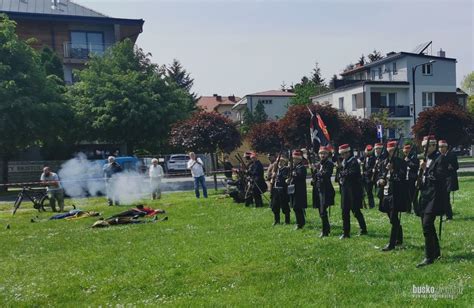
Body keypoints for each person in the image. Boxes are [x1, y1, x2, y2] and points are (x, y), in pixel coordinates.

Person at [416, 135, 449, 268]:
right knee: (428, 226)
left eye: (427, 146)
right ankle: (436, 252)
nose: (424, 148)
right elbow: (424, 178)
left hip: (435, 196)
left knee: (427, 225)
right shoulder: (425, 159)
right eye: (423, 146)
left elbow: (441, 177)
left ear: (433, 146)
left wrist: (425, 170)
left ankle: (429, 256)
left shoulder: (440, 158)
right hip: (425, 195)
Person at [376, 141, 409, 251]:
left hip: (396, 193)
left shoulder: (401, 163)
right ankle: (399, 238)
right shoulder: (383, 162)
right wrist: (380, 180)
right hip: (385, 193)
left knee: (393, 219)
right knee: (391, 217)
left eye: (393, 151)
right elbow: (380, 175)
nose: (392, 153)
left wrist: (393, 170)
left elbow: (402, 177)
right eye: (390, 151)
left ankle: (392, 244)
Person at [338, 144, 367, 239]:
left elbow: (352, 174)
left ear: (348, 152)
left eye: (344, 154)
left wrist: (343, 173)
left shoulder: (354, 161)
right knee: (344, 212)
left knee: (356, 211)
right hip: (345, 190)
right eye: (341, 154)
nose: (343, 156)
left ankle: (363, 229)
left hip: (353, 190)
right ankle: (346, 232)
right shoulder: (344, 162)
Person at [313, 146, 335, 237]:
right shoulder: (319, 164)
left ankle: (325, 231)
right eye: (321, 153)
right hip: (318, 188)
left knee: (323, 211)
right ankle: (327, 228)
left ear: (327, 154)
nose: (322, 155)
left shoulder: (329, 164)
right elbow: (316, 176)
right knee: (320, 210)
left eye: (324, 153)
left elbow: (326, 174)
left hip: (326, 190)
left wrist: (317, 172)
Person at [438, 140, 458, 220]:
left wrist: (451, 167)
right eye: (439, 147)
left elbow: (456, 166)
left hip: (449, 180)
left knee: (446, 198)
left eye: (442, 147)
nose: (441, 149)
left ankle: (449, 216)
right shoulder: (438, 156)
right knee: (441, 198)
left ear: (446, 147)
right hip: (440, 180)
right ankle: (443, 213)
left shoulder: (452, 155)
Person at [288, 150, 307, 230]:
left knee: (297, 207)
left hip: (299, 190)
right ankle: (299, 222)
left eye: (295, 159)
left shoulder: (301, 167)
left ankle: (300, 223)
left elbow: (301, 176)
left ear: (299, 159)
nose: (294, 160)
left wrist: (293, 175)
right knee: (295, 207)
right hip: (293, 189)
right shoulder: (295, 167)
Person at [271, 156, 291, 225]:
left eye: (281, 161)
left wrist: (277, 175)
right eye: (279, 161)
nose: (280, 163)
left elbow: (285, 177)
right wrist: (273, 175)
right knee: (275, 206)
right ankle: (277, 220)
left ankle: (287, 221)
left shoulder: (286, 169)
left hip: (283, 189)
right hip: (276, 189)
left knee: (285, 206)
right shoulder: (276, 169)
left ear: (284, 162)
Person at [403, 144, 419, 213]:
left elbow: (415, 167)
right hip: (405, 179)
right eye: (405, 152)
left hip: (412, 179)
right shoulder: (404, 157)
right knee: (406, 196)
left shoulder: (414, 157)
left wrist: (408, 161)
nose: (406, 153)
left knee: (414, 196)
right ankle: (408, 210)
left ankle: (417, 210)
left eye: (407, 152)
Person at [361, 144, 376, 209]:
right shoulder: (364, 157)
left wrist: (366, 172)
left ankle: (371, 205)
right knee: (362, 192)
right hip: (364, 177)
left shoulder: (373, 158)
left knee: (369, 192)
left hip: (369, 177)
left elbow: (371, 168)